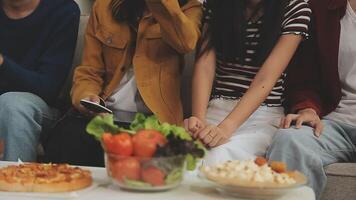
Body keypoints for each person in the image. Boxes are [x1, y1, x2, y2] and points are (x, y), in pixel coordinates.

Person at [43, 0, 202, 166]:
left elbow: (185, 43)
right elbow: (89, 71)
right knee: (68, 136)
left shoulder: (189, 8)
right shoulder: (104, 6)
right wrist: (87, 96)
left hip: (156, 122)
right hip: (105, 116)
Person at [184, 0, 312, 165]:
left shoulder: (296, 8)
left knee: (220, 158)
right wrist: (198, 121)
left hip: (262, 114)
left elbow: (266, 78)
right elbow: (204, 65)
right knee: (185, 159)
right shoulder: (217, 4)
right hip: (217, 107)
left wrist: (226, 127)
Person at [267, 0, 356, 199]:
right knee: (289, 140)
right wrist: (308, 108)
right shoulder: (321, 8)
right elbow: (303, 78)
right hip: (334, 123)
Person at [0, 0, 80, 161]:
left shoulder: (62, 10)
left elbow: (48, 88)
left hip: (37, 107)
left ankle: (16, 183)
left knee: (13, 105)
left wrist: (2, 63)